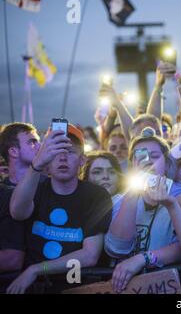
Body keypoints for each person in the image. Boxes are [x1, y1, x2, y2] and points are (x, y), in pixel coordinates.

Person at [7, 125, 112, 294]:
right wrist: (37, 165)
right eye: (56, 151)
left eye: (70, 151)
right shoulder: (35, 186)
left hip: (74, 287)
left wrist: (36, 269)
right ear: (47, 158)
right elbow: (17, 212)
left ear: (82, 160)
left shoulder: (96, 195)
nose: (63, 157)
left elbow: (89, 255)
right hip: (32, 288)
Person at [104, 128, 181, 292]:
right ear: (132, 165)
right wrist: (132, 192)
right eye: (140, 156)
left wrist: (143, 259)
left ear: (166, 164)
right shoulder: (117, 201)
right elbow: (117, 248)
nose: (148, 161)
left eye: (154, 156)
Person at [0, 123, 41, 273]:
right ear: (13, 151)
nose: (40, 146)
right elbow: (11, 259)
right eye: (32, 142)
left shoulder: (51, 186)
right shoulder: (3, 193)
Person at [79, 151, 125, 217]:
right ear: (85, 177)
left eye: (111, 172)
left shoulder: (132, 205)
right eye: (97, 172)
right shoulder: (78, 206)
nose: (106, 176)